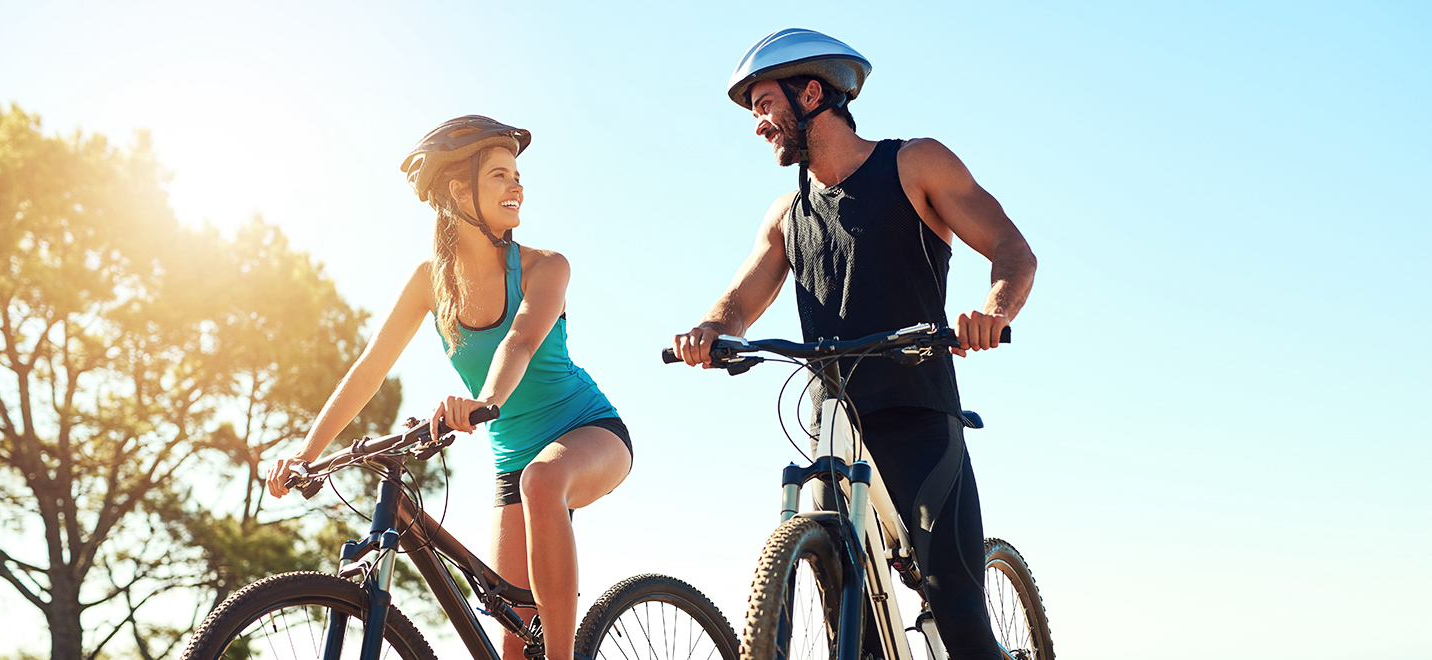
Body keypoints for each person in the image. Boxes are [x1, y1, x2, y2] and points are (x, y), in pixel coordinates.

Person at [671, 29, 1037, 660]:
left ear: (812, 93)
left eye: (764, 104)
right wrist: (711, 331)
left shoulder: (915, 164)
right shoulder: (787, 214)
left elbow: (1012, 251)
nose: (758, 123)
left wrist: (993, 312)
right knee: (850, 625)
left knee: (959, 612)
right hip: (832, 423)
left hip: (918, 414)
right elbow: (738, 303)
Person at [267, 115, 632, 660]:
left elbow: (521, 341)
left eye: (517, 175)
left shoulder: (546, 266)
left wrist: (486, 402)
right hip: (514, 463)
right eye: (500, 176)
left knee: (542, 480)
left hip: (589, 432)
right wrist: (306, 452)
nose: (518, 187)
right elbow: (370, 369)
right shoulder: (428, 282)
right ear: (459, 191)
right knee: (511, 641)